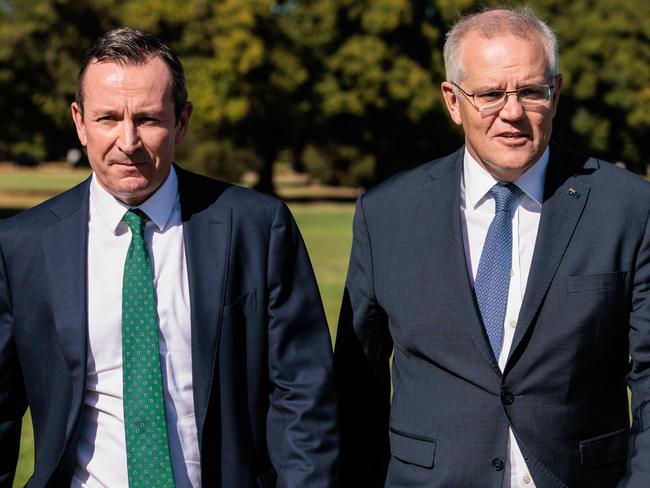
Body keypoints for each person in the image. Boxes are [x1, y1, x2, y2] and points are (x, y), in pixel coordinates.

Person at [0, 28, 338, 487]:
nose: (128, 141)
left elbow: (304, 398)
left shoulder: (257, 227)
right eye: (107, 119)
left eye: (148, 119)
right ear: (79, 122)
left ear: (182, 120)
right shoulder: (22, 245)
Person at [335, 7, 650, 487]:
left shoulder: (628, 207)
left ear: (556, 93)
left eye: (531, 91)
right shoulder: (386, 215)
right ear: (453, 100)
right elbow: (357, 389)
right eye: (489, 94)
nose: (512, 113)